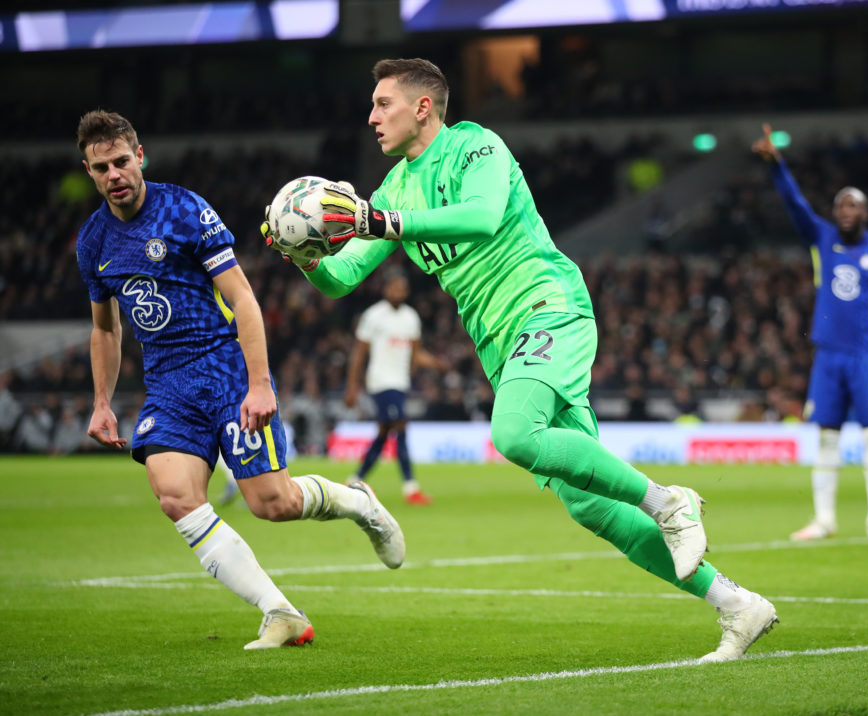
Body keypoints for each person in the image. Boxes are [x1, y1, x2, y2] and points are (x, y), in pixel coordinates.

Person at [263, 58, 777, 662]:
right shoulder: (393, 188)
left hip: (547, 307)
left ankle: (669, 501)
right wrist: (301, 252)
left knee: (513, 432)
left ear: (422, 107)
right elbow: (342, 279)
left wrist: (383, 221)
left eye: (383, 104)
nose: (372, 117)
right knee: (592, 506)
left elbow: (480, 218)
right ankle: (738, 606)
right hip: (501, 345)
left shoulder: (477, 146)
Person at [75, 110, 405, 650]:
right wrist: (101, 401)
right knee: (176, 497)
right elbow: (105, 329)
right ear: (88, 171)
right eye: (100, 167)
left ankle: (359, 504)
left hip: (224, 368)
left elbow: (243, 298)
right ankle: (280, 611)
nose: (113, 174)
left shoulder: (184, 209)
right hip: (167, 385)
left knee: (271, 503)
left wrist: (259, 383)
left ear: (140, 157)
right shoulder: (92, 241)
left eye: (120, 161)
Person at [752, 123, 868, 543]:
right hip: (828, 356)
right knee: (826, 437)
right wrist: (776, 164)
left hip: (866, 356)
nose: (844, 211)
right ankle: (824, 519)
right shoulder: (822, 237)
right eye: (840, 205)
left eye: (852, 206)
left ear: (866, 213)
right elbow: (795, 203)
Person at [345, 271, 445, 504]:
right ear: (386, 290)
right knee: (400, 426)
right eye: (394, 288)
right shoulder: (374, 315)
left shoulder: (411, 317)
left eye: (402, 289)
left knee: (384, 433)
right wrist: (352, 387)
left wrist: (437, 363)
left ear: (406, 292)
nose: (398, 293)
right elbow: (359, 353)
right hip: (380, 381)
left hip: (400, 383)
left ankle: (354, 480)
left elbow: (417, 354)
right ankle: (411, 488)